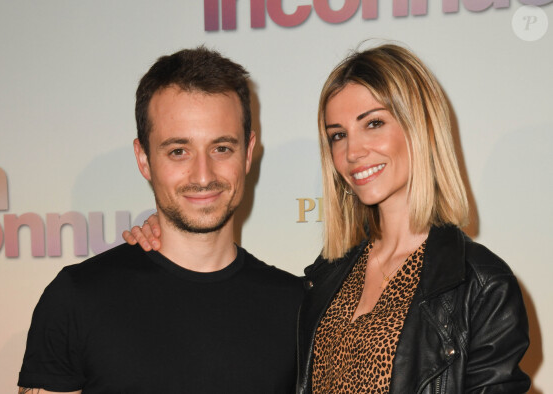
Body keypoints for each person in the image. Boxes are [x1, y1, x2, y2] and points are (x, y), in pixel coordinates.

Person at [126, 43, 531, 393]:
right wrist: (174, 242)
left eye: (373, 123)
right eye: (338, 134)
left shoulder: (479, 284)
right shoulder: (329, 275)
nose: (353, 152)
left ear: (420, 126)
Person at [17, 47, 303, 394]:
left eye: (222, 148)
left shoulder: (297, 307)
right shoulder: (77, 298)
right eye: (178, 151)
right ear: (144, 159)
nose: (202, 175)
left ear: (248, 152)